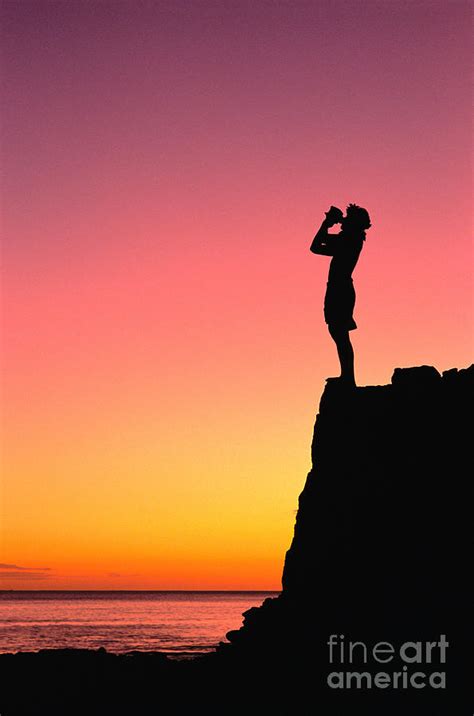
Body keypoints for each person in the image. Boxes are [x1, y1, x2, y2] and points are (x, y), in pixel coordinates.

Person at [310, 204, 372, 387]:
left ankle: (348, 377)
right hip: (339, 288)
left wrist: (327, 223)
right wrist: (327, 224)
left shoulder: (349, 239)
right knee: (338, 332)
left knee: (339, 333)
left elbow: (315, 246)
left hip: (340, 289)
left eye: (347, 218)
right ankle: (347, 376)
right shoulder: (350, 239)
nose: (343, 221)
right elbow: (315, 247)